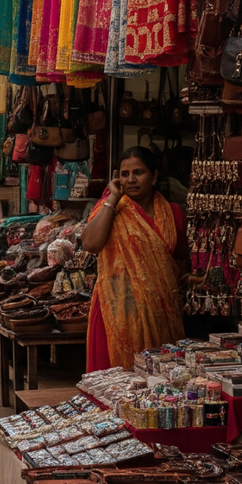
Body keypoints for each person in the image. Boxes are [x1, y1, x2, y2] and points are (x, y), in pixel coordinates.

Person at [80, 146, 186, 371]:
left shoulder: (172, 213)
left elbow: (179, 264)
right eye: (124, 174)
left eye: (139, 172)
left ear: (154, 176)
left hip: (161, 316)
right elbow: (91, 244)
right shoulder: (111, 208)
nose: (131, 180)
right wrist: (112, 200)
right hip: (115, 314)